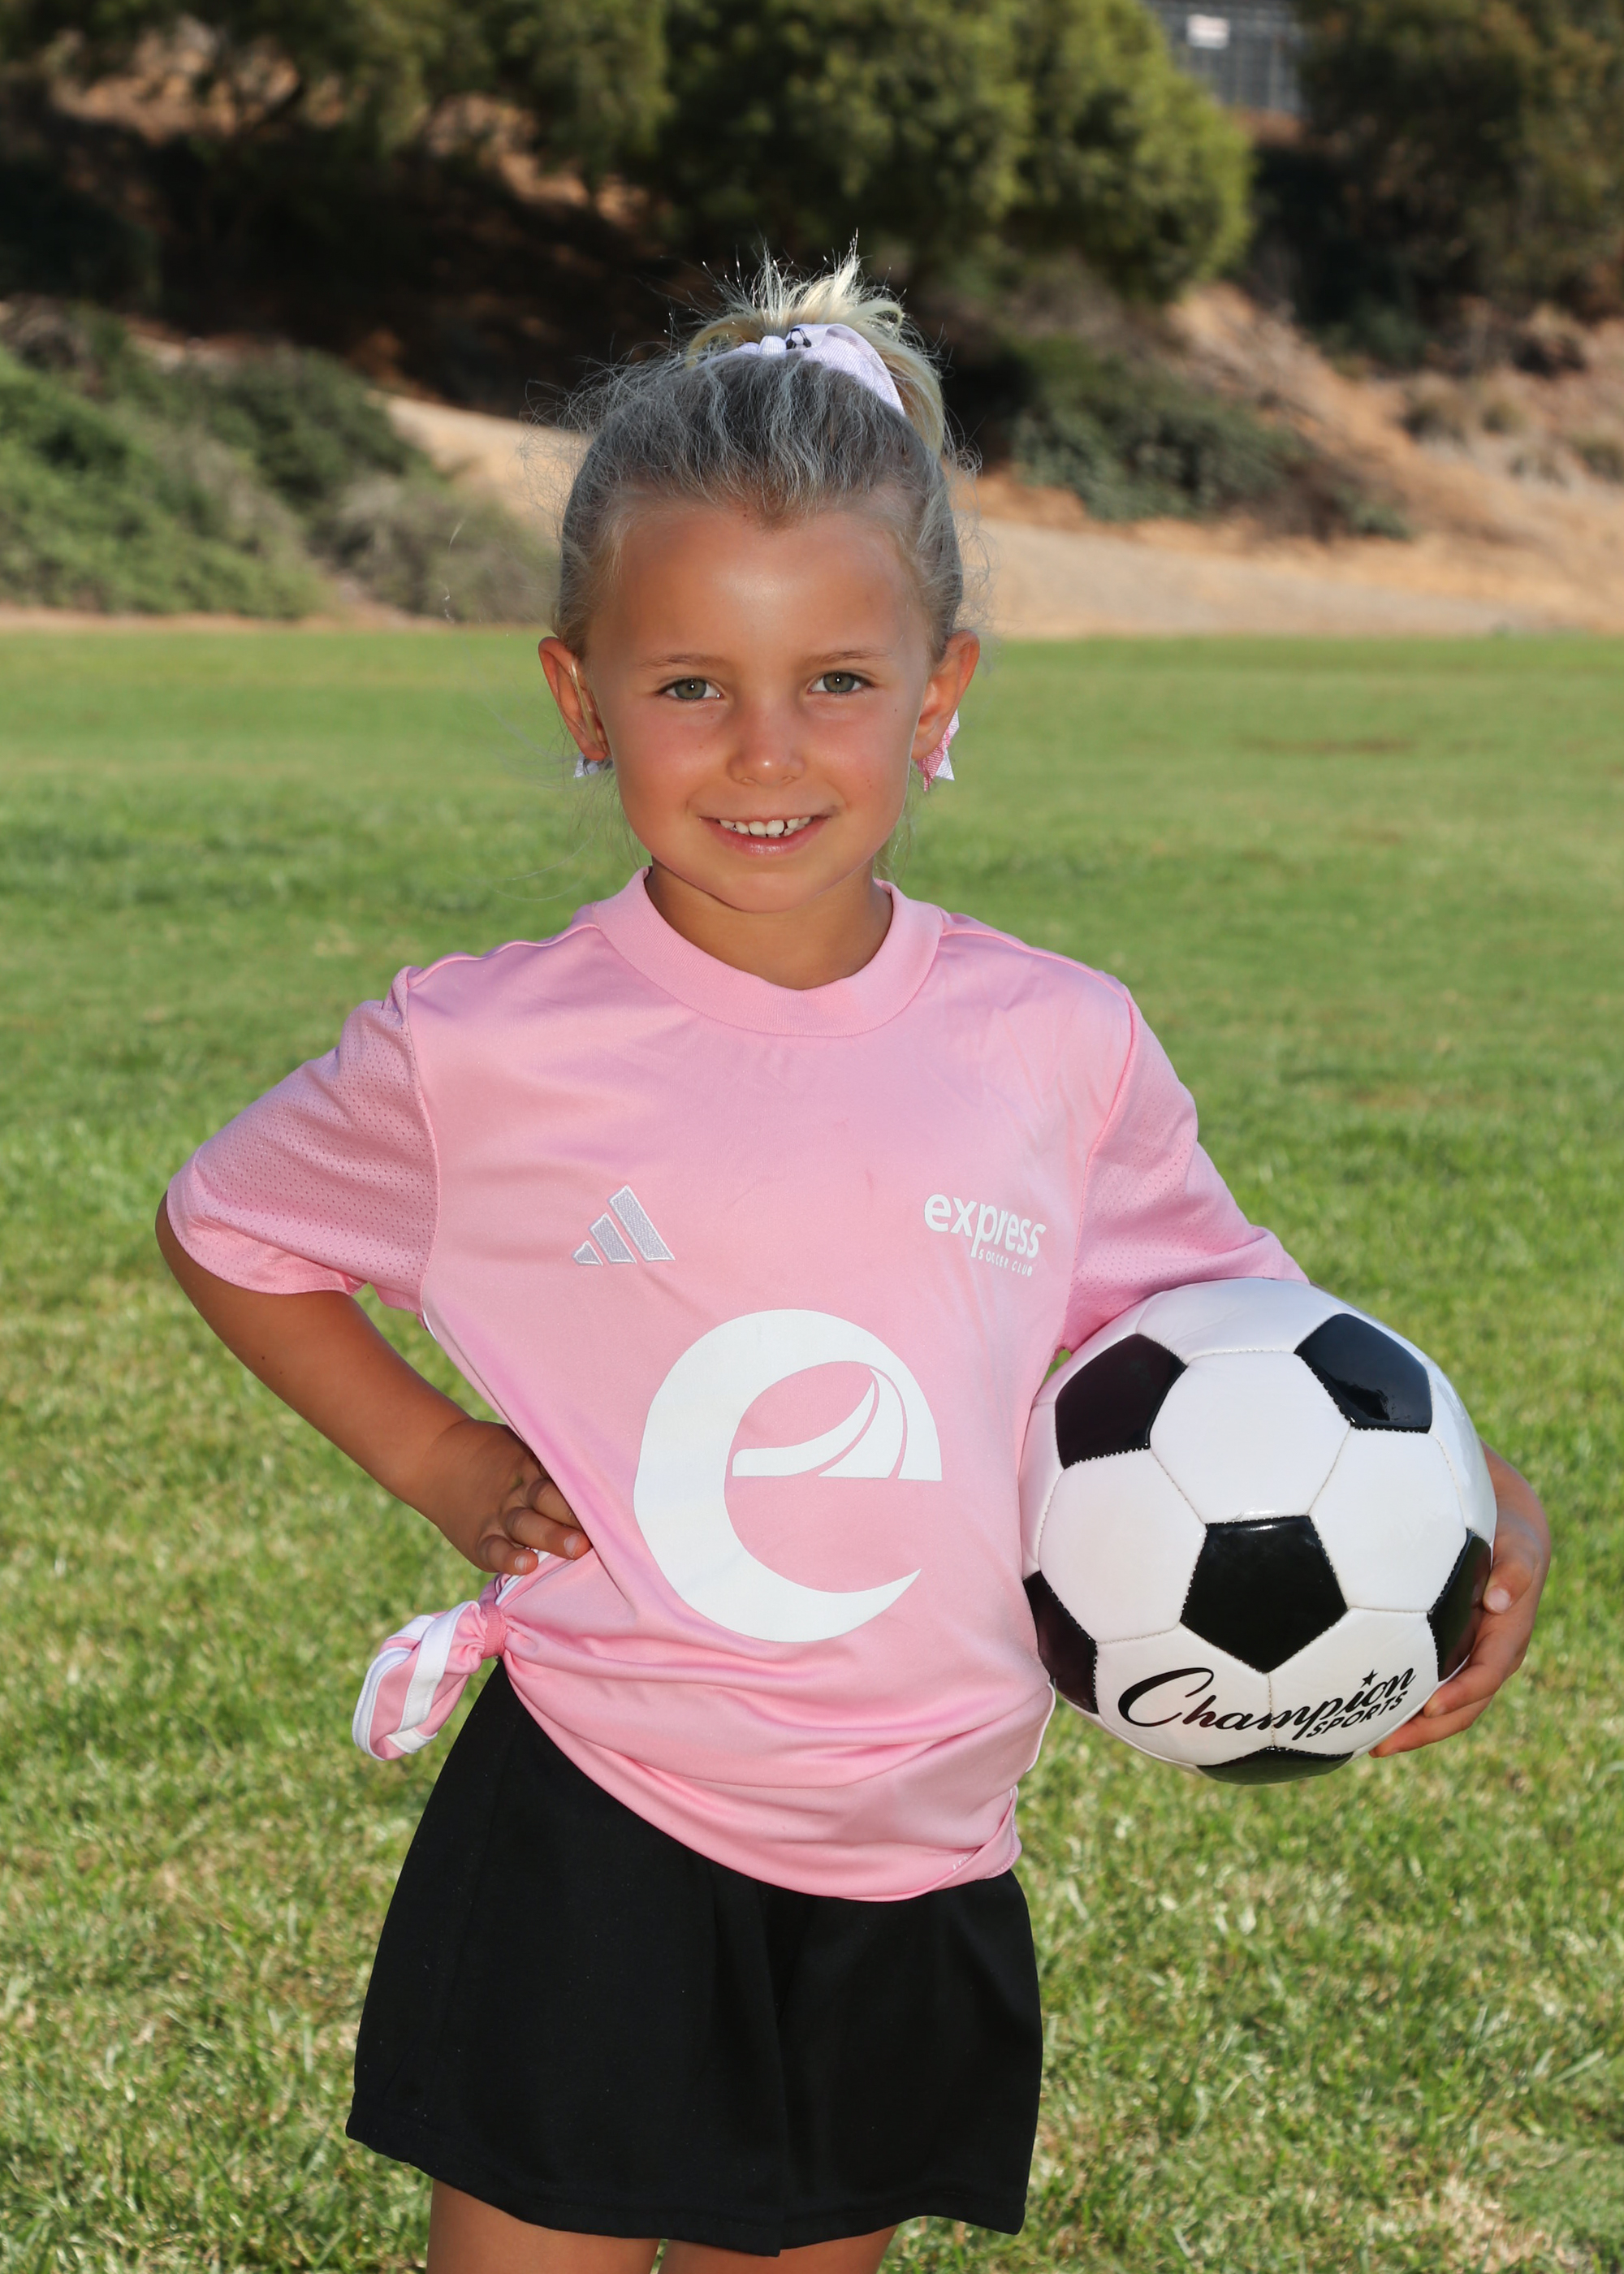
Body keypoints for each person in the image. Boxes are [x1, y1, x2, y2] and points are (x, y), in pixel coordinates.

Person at [157, 256, 1552, 2274]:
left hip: (918, 1845)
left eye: (835, 680)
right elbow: (231, 1224)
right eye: (687, 686)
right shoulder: (482, 1048)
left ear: (939, 693)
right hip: (599, 1805)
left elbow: (1257, 1338)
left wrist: (1482, 1498)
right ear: (579, 697)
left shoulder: (1054, 1041)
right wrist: (442, 1460)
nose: (763, 750)